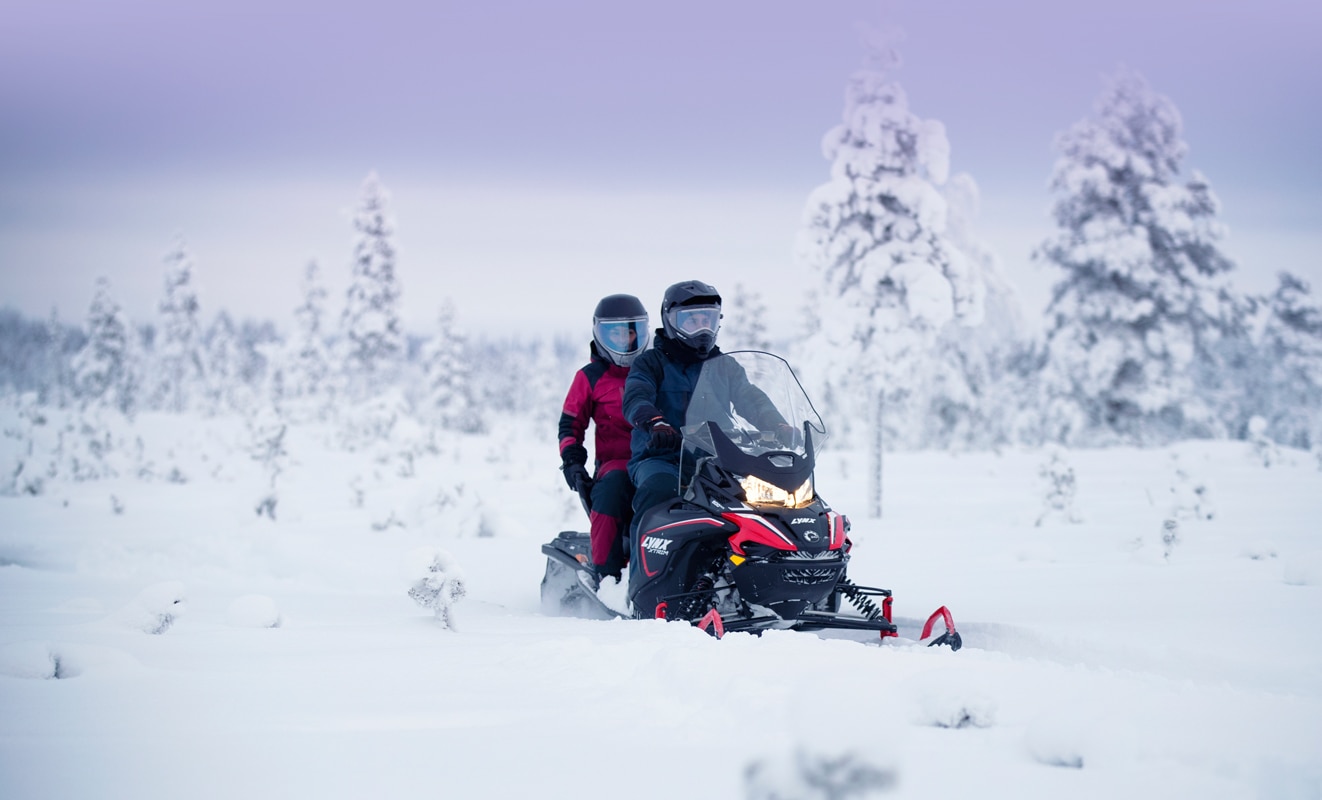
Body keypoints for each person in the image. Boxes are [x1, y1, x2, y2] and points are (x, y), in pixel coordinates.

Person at [622, 280, 790, 553]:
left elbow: (750, 398)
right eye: (691, 321)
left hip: (719, 458)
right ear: (670, 321)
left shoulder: (725, 366)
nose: (702, 329)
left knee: (766, 497)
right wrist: (655, 423)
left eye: (708, 320)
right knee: (658, 490)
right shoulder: (650, 362)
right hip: (663, 457)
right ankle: (640, 577)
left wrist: (777, 424)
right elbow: (636, 396)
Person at [558, 294, 650, 582]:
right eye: (616, 333)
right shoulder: (590, 377)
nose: (624, 340)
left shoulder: (656, 370)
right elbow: (571, 424)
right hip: (617, 462)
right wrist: (573, 462)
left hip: (664, 458)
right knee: (612, 491)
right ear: (601, 334)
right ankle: (607, 575)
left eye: (630, 331)